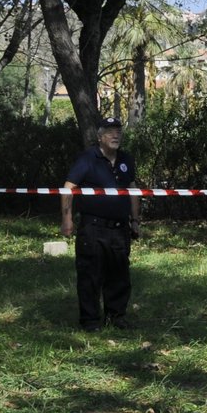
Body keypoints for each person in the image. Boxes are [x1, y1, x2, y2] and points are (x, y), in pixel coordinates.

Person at [60, 116, 141, 332]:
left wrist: (135, 220)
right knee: (90, 275)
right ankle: (90, 321)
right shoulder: (88, 158)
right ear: (100, 136)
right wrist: (67, 219)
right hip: (93, 228)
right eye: (110, 131)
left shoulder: (126, 159)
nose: (115, 135)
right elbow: (68, 187)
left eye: (118, 131)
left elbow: (132, 190)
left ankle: (116, 317)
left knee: (120, 275)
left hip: (119, 229)